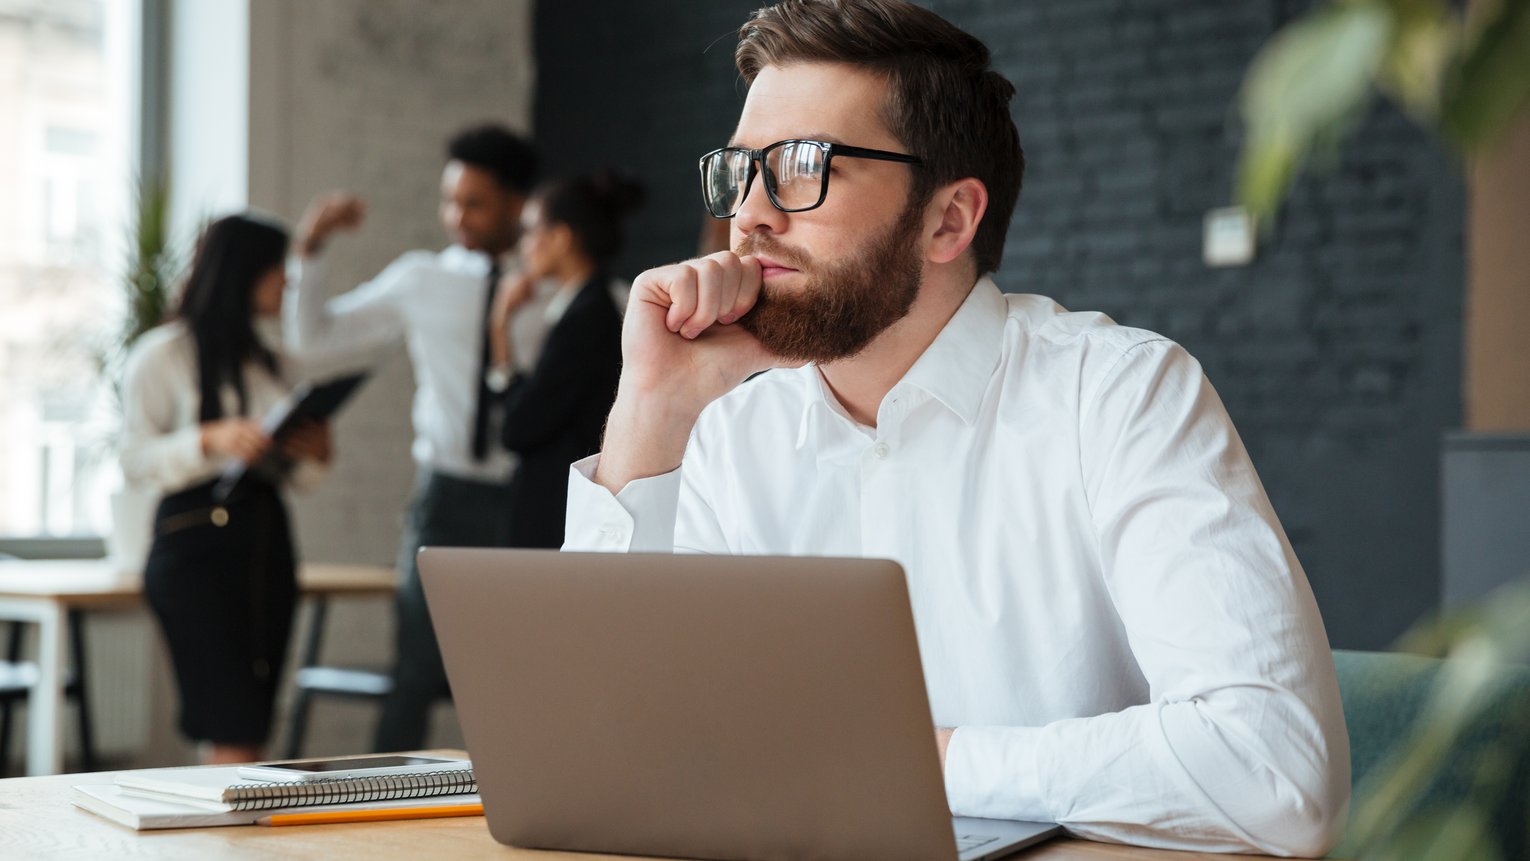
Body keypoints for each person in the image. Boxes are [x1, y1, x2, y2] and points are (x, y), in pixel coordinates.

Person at [561, 0, 1350, 855]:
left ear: (948, 220)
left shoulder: (1118, 396)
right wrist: (652, 406)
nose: (749, 213)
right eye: (741, 170)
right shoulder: (728, 432)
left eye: (801, 166)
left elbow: (1275, 768)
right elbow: (597, 753)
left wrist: (912, 762)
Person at [286, 124, 541, 753]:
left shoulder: (558, 286)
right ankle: (383, 801)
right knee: (415, 672)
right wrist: (310, 248)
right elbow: (312, 342)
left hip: (529, 503)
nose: (456, 217)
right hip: (444, 499)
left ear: (516, 203)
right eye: (450, 201)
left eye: (474, 203)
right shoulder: (421, 279)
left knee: (522, 677)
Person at [121, 214, 333, 765]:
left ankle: (229, 818)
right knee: (232, 723)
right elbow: (135, 460)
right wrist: (209, 439)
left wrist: (315, 453)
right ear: (245, 272)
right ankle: (233, 822)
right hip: (195, 549)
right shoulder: (163, 354)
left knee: (253, 725)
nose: (286, 281)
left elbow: (301, 480)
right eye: (278, 268)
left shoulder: (274, 362)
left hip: (265, 546)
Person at [486, 172, 639, 548]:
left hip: (555, 512)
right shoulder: (585, 307)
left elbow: (519, 427)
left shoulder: (587, 318)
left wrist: (500, 329)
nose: (523, 245)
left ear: (561, 238)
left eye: (529, 231)